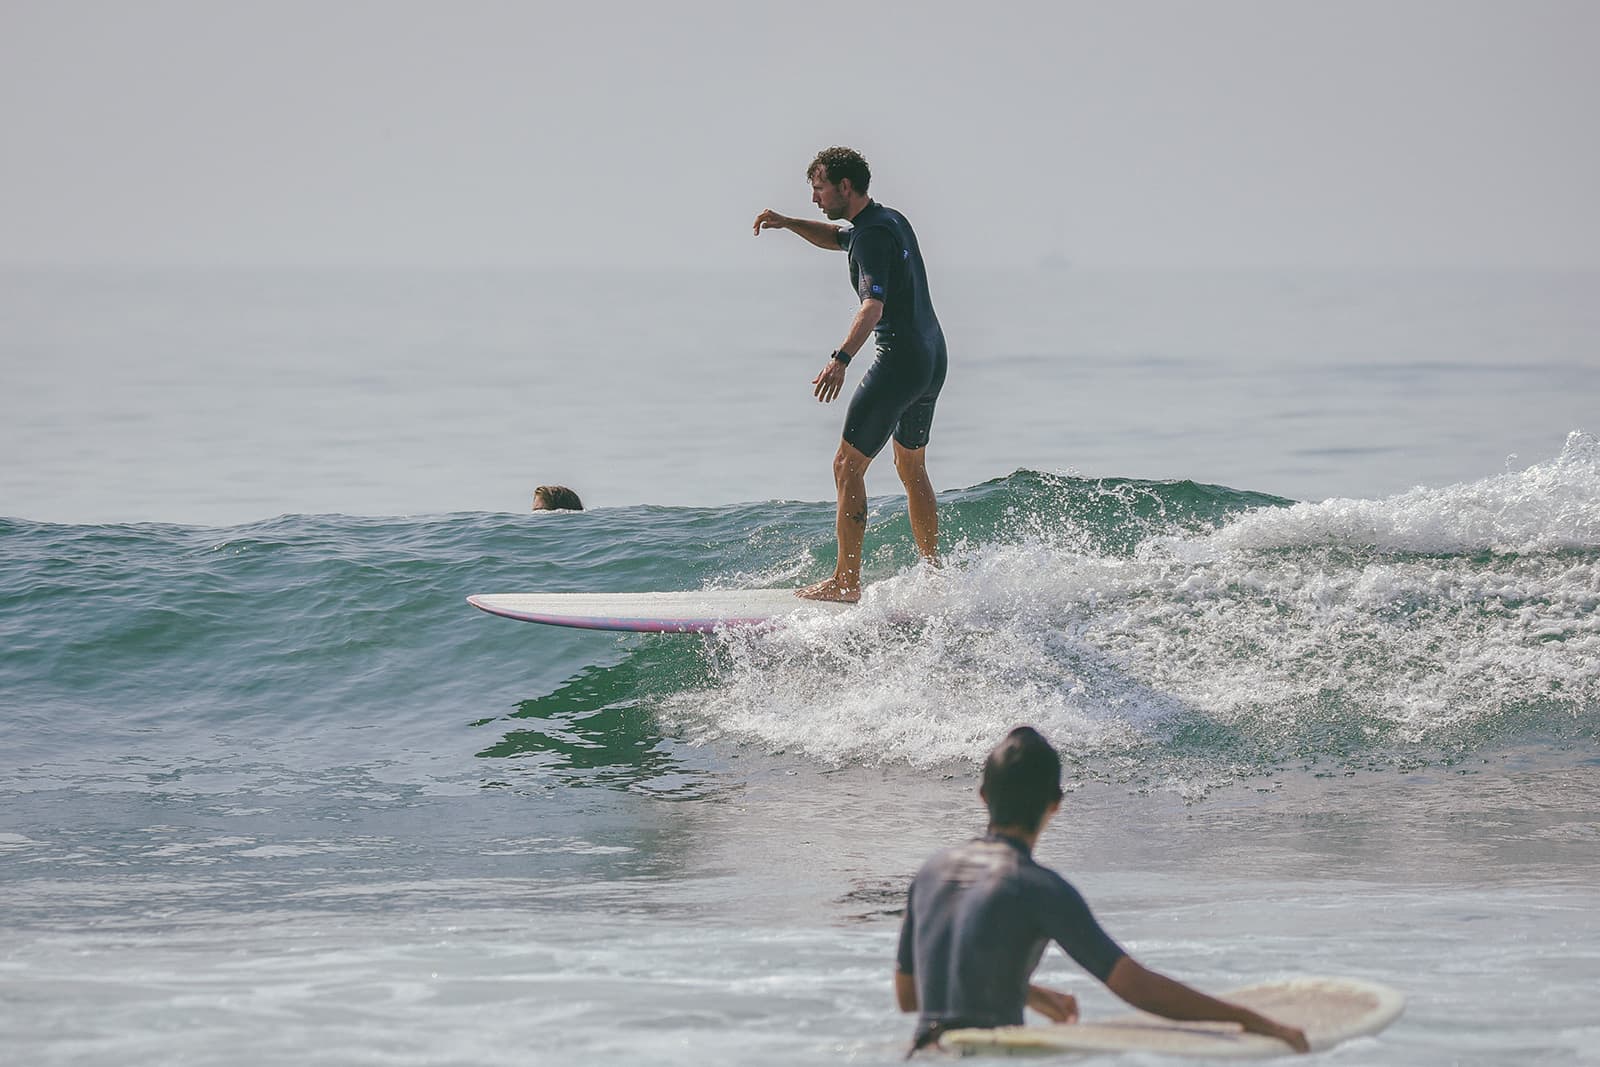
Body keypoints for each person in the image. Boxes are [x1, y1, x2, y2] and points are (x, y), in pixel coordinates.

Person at [895, 726, 1310, 1056]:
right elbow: (1135, 986)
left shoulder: (931, 872)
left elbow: (910, 996)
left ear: (984, 796)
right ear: (1056, 803)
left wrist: (1027, 994)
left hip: (924, 1054)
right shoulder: (1037, 887)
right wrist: (1251, 1021)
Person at [753, 146, 947, 603]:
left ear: (844, 186)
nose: (815, 199)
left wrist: (840, 359)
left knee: (846, 466)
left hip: (899, 361)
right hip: (931, 357)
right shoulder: (888, 221)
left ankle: (846, 581)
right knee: (911, 467)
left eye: (819, 189)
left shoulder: (872, 238)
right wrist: (787, 222)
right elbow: (837, 237)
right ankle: (935, 575)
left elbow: (872, 305)